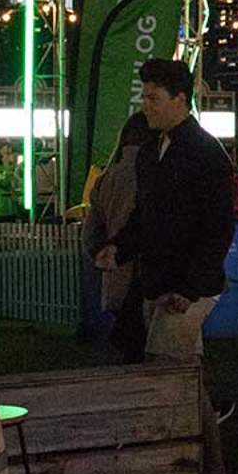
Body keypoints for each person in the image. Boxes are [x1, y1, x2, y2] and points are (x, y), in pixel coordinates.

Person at [104, 59, 235, 474]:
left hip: (185, 290)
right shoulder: (150, 154)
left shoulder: (205, 155)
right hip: (160, 283)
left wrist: (190, 288)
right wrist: (119, 249)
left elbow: (217, 229)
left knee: (163, 378)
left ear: (181, 99)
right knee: (186, 382)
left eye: (154, 98)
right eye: (144, 97)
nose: (147, 106)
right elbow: (146, 217)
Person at [83, 113, 151, 353]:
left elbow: (90, 233)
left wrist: (101, 255)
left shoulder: (105, 179)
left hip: (114, 273)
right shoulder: (156, 174)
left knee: (126, 350)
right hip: (148, 276)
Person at [0, 143, 24, 221]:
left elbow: (15, 182)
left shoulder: (7, 165)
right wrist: (7, 167)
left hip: (11, 208)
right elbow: (4, 182)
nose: (10, 156)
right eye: (7, 154)